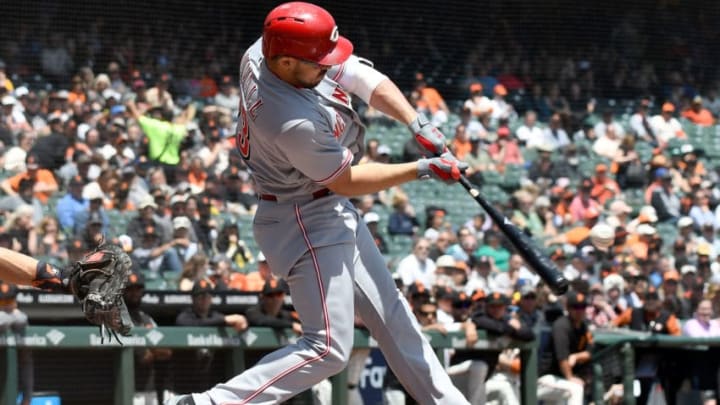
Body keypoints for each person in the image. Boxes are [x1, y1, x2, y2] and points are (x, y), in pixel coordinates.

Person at [166, 3, 469, 404]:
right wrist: (422, 168)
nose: (327, 68)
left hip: (318, 206)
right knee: (328, 348)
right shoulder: (291, 119)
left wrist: (416, 121)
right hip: (304, 216)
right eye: (318, 63)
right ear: (288, 61)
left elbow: (357, 74)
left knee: (395, 319)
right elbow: (345, 180)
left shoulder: (265, 51)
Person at [124, 273, 173, 404]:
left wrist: (153, 350)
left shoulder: (146, 318)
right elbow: (144, 357)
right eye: (130, 289)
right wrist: (153, 350)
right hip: (127, 388)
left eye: (138, 289)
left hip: (149, 388)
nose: (135, 293)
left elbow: (167, 351)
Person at [538, 291, 592, 405]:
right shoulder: (561, 325)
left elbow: (591, 351)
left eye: (583, 307)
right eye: (576, 307)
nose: (580, 310)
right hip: (546, 378)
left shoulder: (584, 326)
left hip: (560, 380)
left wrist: (577, 356)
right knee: (575, 389)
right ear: (568, 308)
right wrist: (570, 377)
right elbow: (562, 358)